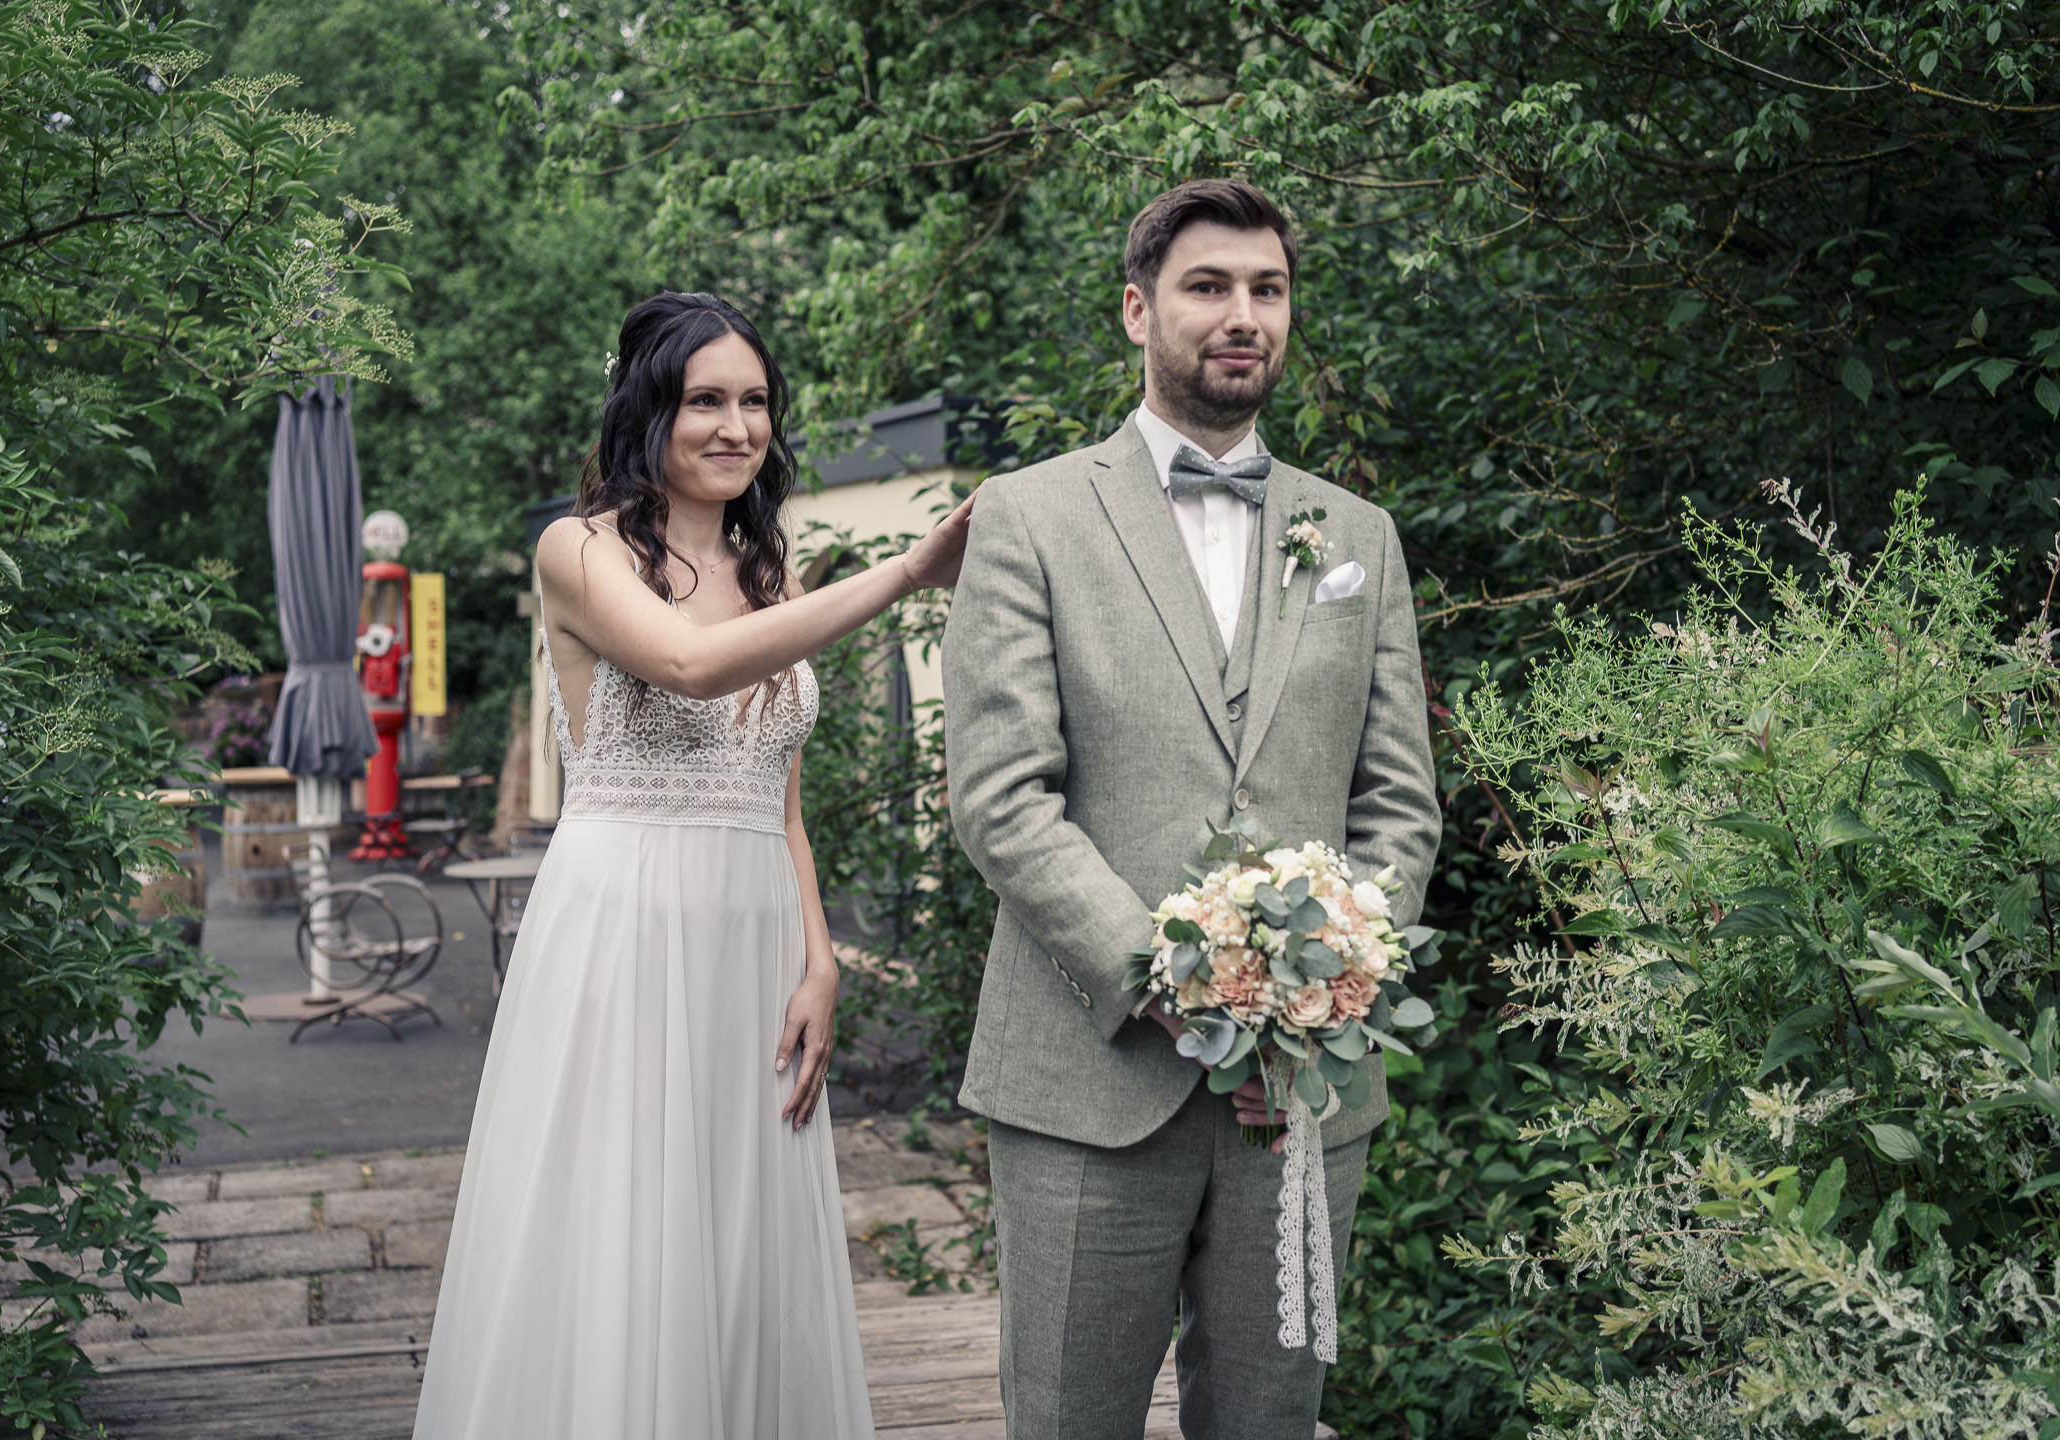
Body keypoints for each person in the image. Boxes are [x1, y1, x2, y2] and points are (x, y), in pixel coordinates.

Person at [412, 291, 972, 1440]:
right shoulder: (580, 550)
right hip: (626, 925)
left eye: (754, 400)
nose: (734, 424)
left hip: (755, 941)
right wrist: (908, 575)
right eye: (703, 398)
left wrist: (821, 957)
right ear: (646, 408)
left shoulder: (773, 566)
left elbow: (783, 802)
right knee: (621, 1227)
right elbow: (690, 663)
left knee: (741, 1232)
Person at [943, 179, 1442, 1438]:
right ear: (1136, 310)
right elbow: (1001, 797)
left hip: (1305, 1096)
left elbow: (1398, 803)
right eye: (1208, 287)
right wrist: (1180, 979)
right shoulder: (1030, 517)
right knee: (1069, 1420)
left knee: (1274, 1417)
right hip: (1088, 1075)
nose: (1243, 315)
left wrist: (1323, 989)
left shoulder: (1359, 537)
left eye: (1266, 291)